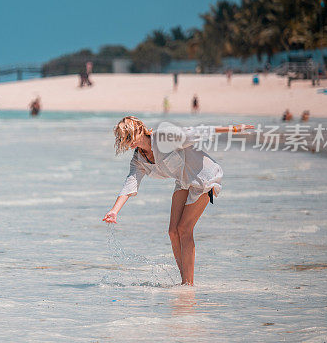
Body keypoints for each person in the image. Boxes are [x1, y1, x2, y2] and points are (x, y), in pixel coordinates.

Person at [102, 117, 253, 285]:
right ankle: (185, 281)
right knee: (173, 232)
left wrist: (234, 129)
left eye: (129, 137)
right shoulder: (139, 158)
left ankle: (188, 284)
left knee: (184, 229)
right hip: (183, 181)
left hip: (204, 177)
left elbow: (198, 131)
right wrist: (114, 211)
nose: (128, 142)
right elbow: (130, 182)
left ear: (139, 129)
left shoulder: (164, 138)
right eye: (124, 139)